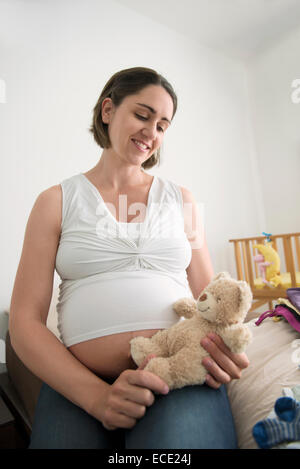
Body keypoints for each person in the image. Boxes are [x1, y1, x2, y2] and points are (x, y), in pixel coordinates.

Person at [9, 67, 249, 449]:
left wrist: (227, 346)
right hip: (79, 378)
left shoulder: (181, 200)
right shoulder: (55, 201)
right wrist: (96, 397)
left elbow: (211, 299)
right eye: (142, 115)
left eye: (163, 125)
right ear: (108, 110)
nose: (152, 133)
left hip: (176, 371)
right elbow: (23, 322)